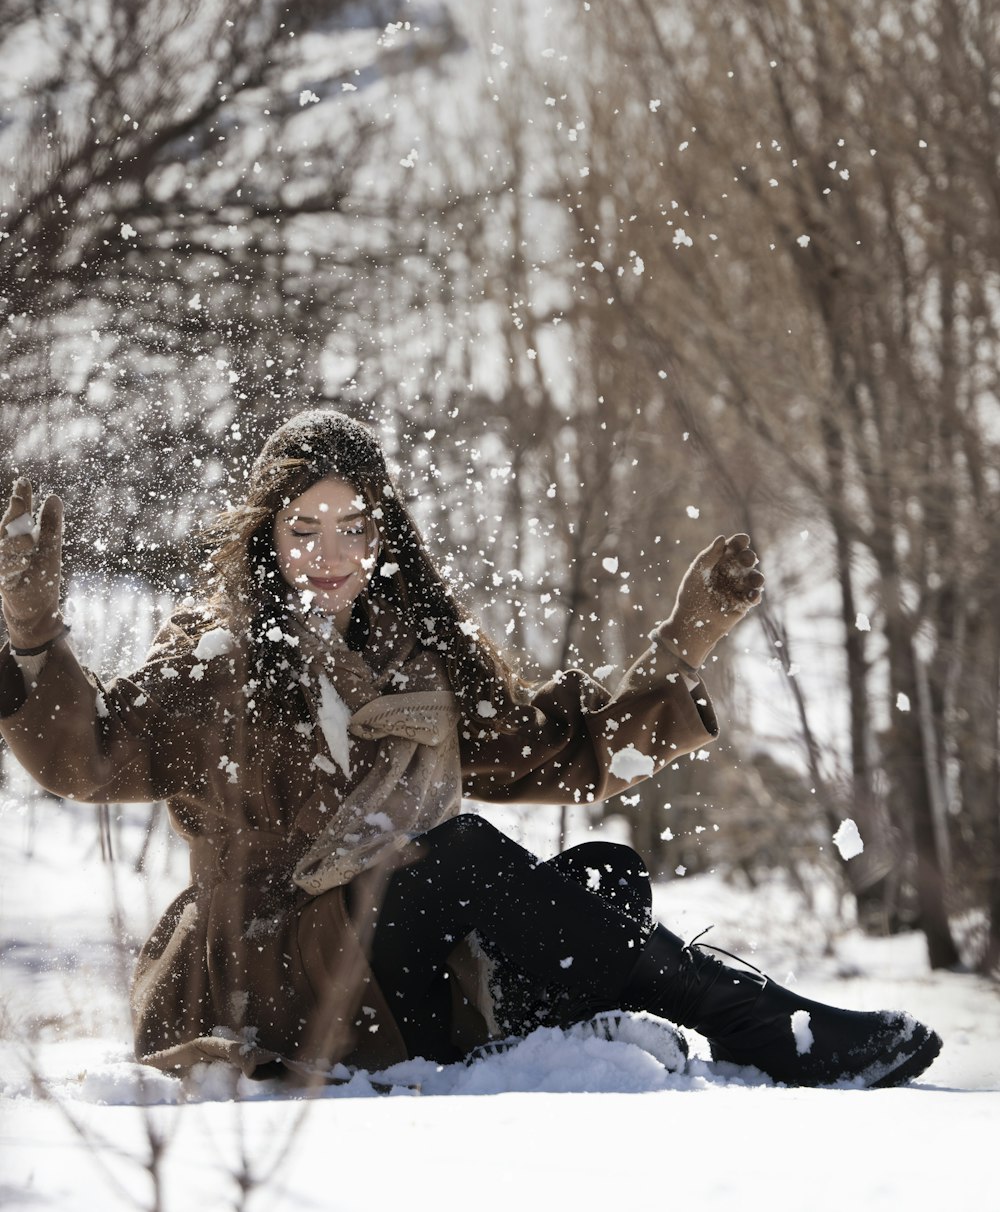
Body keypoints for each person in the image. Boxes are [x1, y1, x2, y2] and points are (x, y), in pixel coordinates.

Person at [0, 409, 941, 1088]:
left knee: (604, 880)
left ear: (385, 535)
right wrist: (37, 634)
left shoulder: (420, 658)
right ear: (266, 536)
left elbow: (563, 755)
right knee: (458, 858)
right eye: (303, 528)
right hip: (268, 973)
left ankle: (544, 1042)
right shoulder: (219, 661)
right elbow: (90, 755)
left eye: (355, 528)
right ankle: (762, 1023)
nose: (330, 554)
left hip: (389, 961)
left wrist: (685, 641)